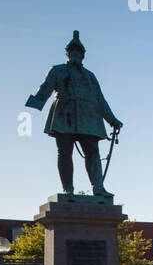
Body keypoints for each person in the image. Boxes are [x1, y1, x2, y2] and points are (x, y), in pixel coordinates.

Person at [24, 31, 123, 199]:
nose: (76, 55)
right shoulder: (58, 70)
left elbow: (100, 100)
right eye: (73, 52)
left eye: (79, 52)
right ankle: (68, 188)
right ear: (68, 54)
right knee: (64, 152)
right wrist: (36, 101)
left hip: (88, 118)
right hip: (65, 115)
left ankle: (98, 187)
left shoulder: (90, 76)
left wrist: (112, 119)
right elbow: (46, 88)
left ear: (83, 56)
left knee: (93, 152)